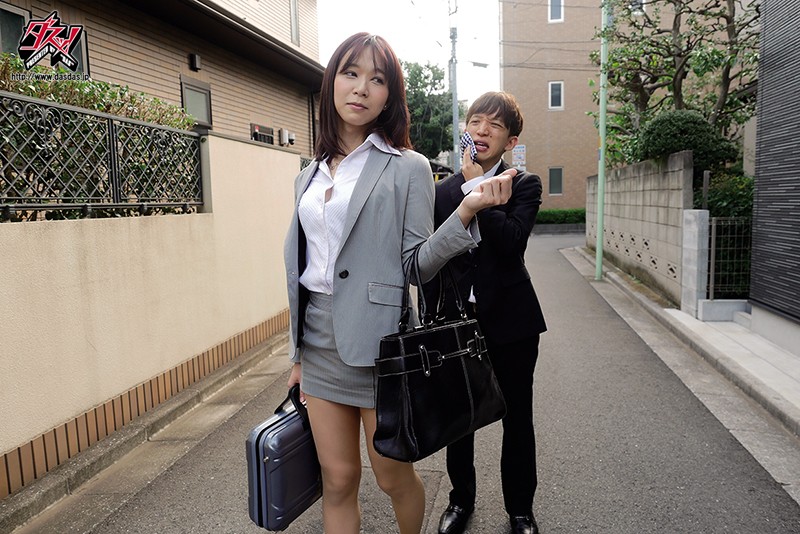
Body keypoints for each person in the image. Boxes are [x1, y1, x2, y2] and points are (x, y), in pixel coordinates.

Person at [283, 34, 517, 534]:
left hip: (381, 346)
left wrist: (465, 212)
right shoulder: (307, 176)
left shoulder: (407, 167)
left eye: (377, 79)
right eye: (350, 73)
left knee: (392, 477)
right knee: (338, 479)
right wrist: (298, 355)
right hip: (318, 344)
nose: (361, 88)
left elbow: (416, 265)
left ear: (389, 95)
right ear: (331, 82)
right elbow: (305, 269)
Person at [423, 92, 547, 534]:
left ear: (510, 140)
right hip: (458, 324)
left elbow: (512, 243)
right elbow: (432, 257)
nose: (481, 130)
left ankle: (520, 510)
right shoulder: (441, 191)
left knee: (517, 418)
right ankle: (460, 501)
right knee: (461, 419)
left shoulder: (524, 184)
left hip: (513, 323)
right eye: (476, 121)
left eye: (494, 125)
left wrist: (479, 191)